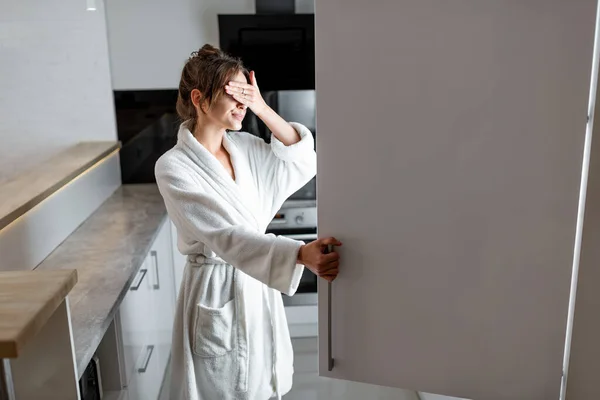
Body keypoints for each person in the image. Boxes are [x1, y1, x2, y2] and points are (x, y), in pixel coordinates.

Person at [155, 44, 342, 400]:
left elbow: (302, 161)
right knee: (223, 389)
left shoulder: (247, 148)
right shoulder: (173, 167)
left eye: (247, 94)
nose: (243, 103)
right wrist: (300, 254)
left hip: (257, 288)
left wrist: (261, 106)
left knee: (264, 385)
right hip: (216, 288)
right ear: (200, 98)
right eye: (234, 94)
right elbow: (227, 236)